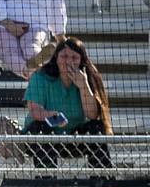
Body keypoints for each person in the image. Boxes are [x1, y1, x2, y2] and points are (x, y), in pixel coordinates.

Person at [23, 36, 113, 170]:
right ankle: (47, 182)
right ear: (56, 58)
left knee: (97, 126)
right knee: (41, 127)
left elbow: (92, 114)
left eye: (74, 58)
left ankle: (103, 181)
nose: (68, 61)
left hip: (74, 139)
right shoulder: (40, 77)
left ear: (81, 61)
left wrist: (83, 86)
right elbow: (35, 111)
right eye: (64, 56)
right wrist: (52, 116)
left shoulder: (86, 78)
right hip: (40, 140)